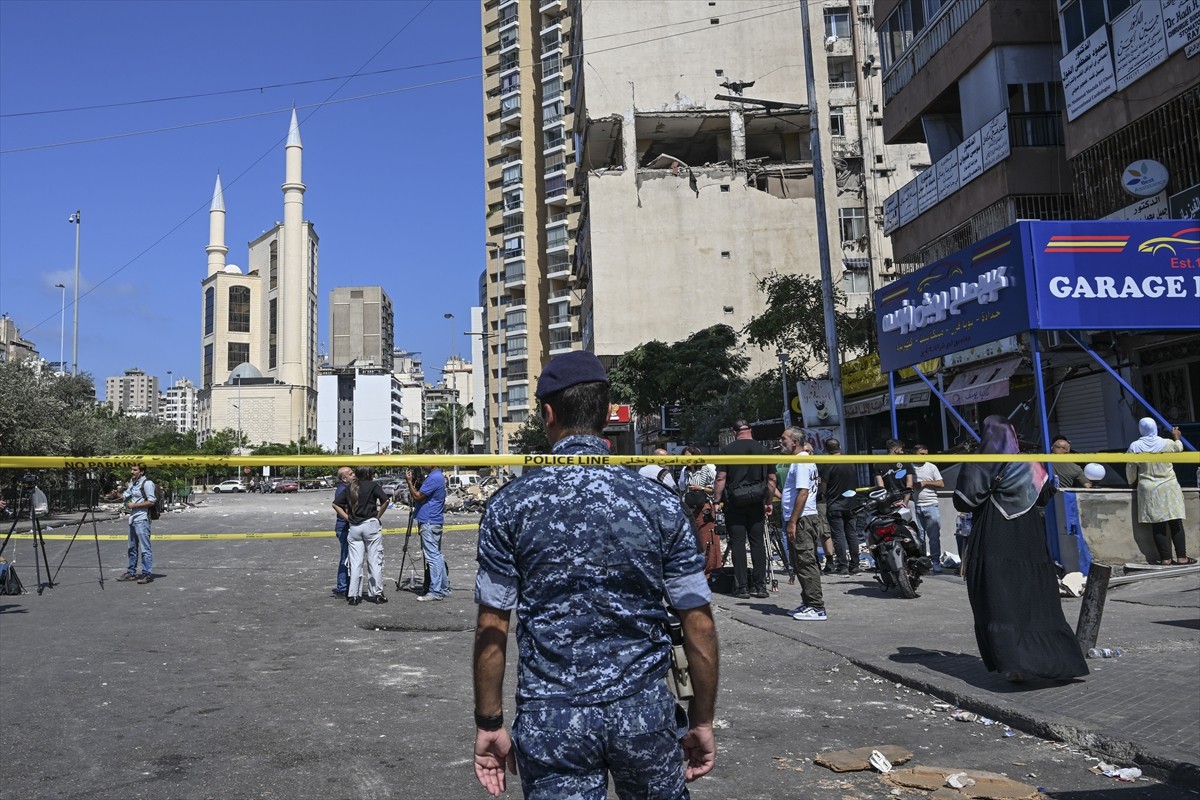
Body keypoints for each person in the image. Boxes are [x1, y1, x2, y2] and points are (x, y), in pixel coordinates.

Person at [472, 351, 719, 799]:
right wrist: (701, 718)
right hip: (643, 713)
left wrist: (489, 722)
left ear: (548, 414)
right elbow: (697, 621)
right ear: (607, 414)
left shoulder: (510, 505)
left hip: (553, 719)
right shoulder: (658, 502)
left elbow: (493, 624)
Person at [954, 415, 1088, 683]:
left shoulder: (982, 460)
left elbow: (964, 500)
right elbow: (1046, 494)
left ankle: (1015, 665)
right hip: (1030, 538)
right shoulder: (1031, 463)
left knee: (999, 598)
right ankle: (1056, 661)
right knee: (1034, 596)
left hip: (994, 534)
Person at [713, 420, 777, 599]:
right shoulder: (764, 450)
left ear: (735, 433)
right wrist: (769, 501)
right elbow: (772, 479)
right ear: (751, 430)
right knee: (758, 543)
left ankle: (741, 587)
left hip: (734, 503)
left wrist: (716, 501)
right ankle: (760, 586)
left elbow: (720, 478)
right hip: (757, 502)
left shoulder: (727, 451)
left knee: (738, 543)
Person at [1127, 419, 1192, 565]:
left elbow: (1130, 467)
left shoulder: (1135, 446)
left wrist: (1132, 481)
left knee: (1158, 524)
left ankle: (1165, 559)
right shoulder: (1166, 443)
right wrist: (1176, 438)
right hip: (1169, 487)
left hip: (1149, 489)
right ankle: (1182, 558)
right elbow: (1178, 448)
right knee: (1176, 522)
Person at [779, 428, 826, 621]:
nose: (781, 441)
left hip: (802, 519)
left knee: (806, 563)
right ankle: (808, 602)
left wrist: (792, 521)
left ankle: (817, 607)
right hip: (800, 518)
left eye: (784, 439)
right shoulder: (798, 461)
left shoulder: (802, 461)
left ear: (795, 442)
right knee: (799, 562)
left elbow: (803, 493)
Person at [333, 466, 389, 606]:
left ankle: (354, 595)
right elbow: (386, 500)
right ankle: (377, 594)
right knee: (374, 561)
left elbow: (336, 504)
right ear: (370, 474)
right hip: (371, 525)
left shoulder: (351, 487)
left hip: (355, 527)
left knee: (355, 563)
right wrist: (378, 516)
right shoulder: (373, 485)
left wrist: (348, 518)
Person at [819, 438, 861, 575]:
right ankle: (855, 564)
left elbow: (824, 484)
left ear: (826, 449)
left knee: (838, 536)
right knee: (852, 535)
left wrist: (823, 494)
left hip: (835, 504)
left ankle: (842, 565)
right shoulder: (849, 461)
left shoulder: (828, 464)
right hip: (852, 503)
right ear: (840, 447)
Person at [408, 459, 449, 601]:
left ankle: (435, 591)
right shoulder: (437, 476)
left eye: (424, 462)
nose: (421, 465)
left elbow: (418, 496)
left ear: (431, 462)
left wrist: (409, 482)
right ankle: (443, 588)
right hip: (433, 520)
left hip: (429, 521)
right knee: (437, 555)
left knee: (433, 557)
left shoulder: (434, 478)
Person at [118, 464, 157, 584]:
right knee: (131, 547)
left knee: (145, 549)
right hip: (133, 519)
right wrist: (117, 494)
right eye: (132, 469)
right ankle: (131, 572)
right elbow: (125, 496)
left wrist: (134, 505)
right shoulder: (133, 483)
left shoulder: (148, 484)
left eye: (135, 470)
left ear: (142, 472)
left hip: (142, 519)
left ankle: (146, 574)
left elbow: (151, 501)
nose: (132, 472)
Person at [911, 444, 945, 573]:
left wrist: (925, 483)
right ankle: (923, 561)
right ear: (915, 453)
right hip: (916, 505)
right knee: (919, 537)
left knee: (934, 536)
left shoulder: (931, 467)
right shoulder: (910, 467)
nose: (925, 457)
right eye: (922, 454)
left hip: (931, 505)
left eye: (926, 454)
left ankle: (935, 561)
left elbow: (941, 483)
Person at [330, 467, 354, 596]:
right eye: (351, 474)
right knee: (345, 558)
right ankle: (343, 587)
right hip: (344, 528)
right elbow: (339, 507)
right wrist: (350, 519)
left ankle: (347, 585)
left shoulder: (347, 488)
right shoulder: (343, 490)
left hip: (346, 527)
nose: (354, 475)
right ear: (344, 478)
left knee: (349, 558)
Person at [875, 439, 915, 504]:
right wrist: (905, 502)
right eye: (901, 450)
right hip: (905, 500)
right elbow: (909, 484)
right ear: (896, 450)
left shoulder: (879, 464)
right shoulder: (906, 462)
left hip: (889, 501)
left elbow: (881, 487)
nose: (903, 452)